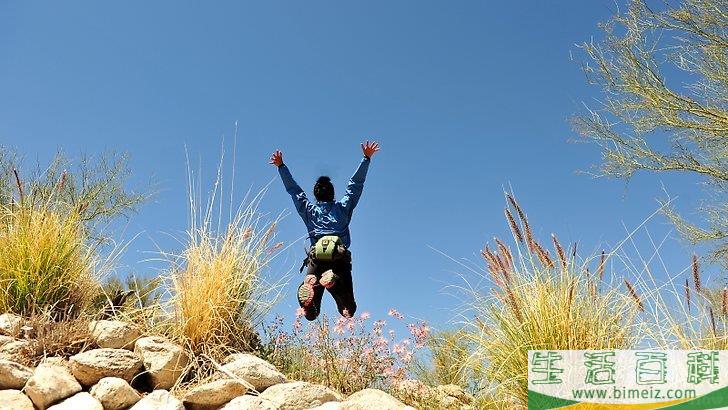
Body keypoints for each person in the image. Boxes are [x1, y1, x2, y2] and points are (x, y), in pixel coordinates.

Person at [269, 141, 380, 320]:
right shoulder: (343, 208)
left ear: (316, 195)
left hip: (316, 258)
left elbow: (295, 191)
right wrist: (366, 158)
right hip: (339, 257)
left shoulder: (309, 211)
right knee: (348, 309)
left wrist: (281, 166)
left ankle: (311, 284)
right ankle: (333, 282)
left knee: (311, 313)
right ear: (332, 193)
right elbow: (355, 186)